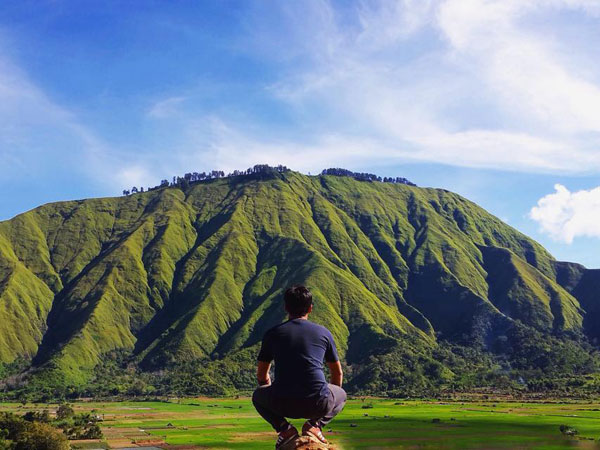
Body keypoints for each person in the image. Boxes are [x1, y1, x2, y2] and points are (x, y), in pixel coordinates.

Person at [252, 285, 346, 449]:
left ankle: (284, 429)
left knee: (257, 396)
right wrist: (326, 402)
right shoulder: (324, 333)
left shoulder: (272, 334)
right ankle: (315, 426)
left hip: (282, 403)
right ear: (310, 308)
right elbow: (337, 373)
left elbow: (262, 375)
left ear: (286, 307)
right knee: (342, 395)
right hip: (317, 403)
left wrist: (271, 392)